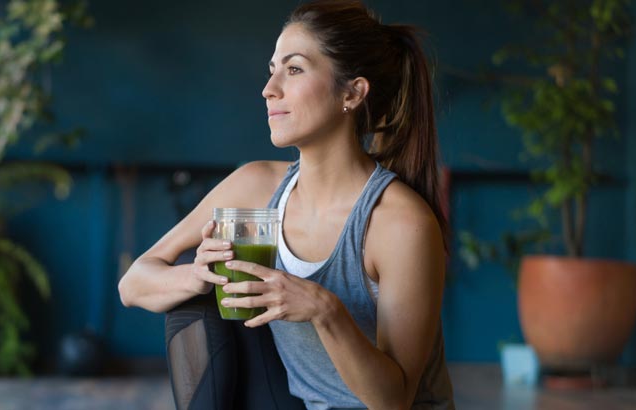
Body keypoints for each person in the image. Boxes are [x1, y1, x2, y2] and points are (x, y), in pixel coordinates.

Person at [118, 0, 454, 408]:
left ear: (352, 92)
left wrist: (324, 310)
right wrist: (199, 276)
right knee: (192, 310)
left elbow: (394, 400)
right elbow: (133, 283)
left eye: (293, 69)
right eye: (272, 70)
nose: (269, 88)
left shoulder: (398, 223)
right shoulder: (256, 187)